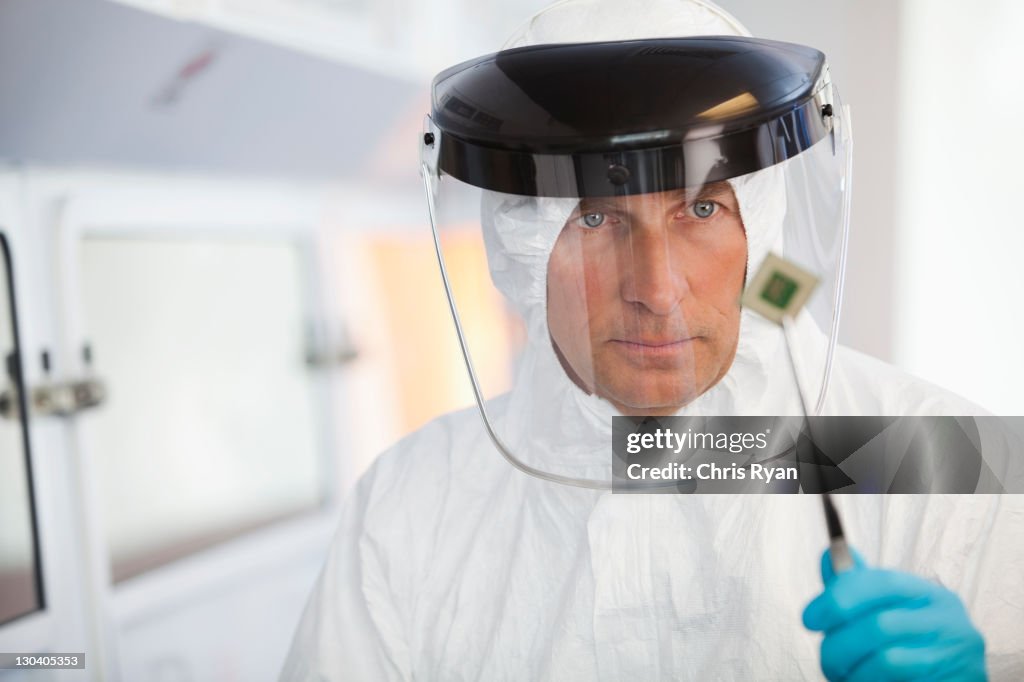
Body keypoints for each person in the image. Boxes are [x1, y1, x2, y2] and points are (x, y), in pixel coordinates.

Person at [282, 1, 1024, 679]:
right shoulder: (412, 502)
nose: (656, 290)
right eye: (597, 221)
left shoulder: (938, 454)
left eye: (700, 210)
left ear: (758, 231)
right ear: (521, 252)